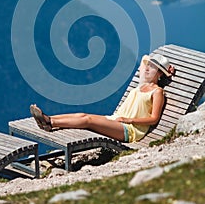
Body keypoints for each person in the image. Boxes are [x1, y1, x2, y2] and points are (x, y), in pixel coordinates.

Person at [30, 54, 175, 143]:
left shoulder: (157, 92)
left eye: (153, 67)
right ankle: (49, 119)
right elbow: (144, 57)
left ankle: (50, 122)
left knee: (88, 121)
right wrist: (165, 69)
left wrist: (128, 120)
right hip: (116, 120)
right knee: (82, 115)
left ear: (160, 74)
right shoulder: (141, 86)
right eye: (148, 66)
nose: (147, 68)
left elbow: (154, 119)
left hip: (130, 130)